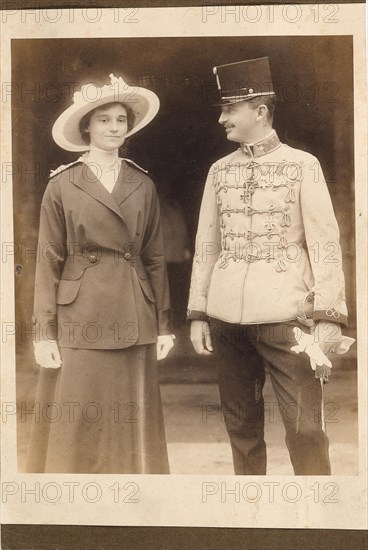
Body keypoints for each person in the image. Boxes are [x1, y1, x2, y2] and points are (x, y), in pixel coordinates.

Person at [187, 57, 349, 475]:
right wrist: (199, 312)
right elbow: (206, 244)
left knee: (305, 428)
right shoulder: (219, 171)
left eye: (230, 109)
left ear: (259, 111)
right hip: (225, 317)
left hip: (287, 316)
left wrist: (329, 316)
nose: (222, 119)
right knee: (240, 427)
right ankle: (250, 515)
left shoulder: (302, 165)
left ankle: (318, 517)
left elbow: (325, 245)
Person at [26, 74, 175, 474]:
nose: (113, 128)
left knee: (131, 417)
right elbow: (48, 258)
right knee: (80, 414)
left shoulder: (142, 183)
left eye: (121, 120)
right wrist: (44, 330)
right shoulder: (62, 184)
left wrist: (163, 324)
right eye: (104, 119)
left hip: (134, 309)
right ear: (87, 127)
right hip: (81, 313)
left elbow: (155, 258)